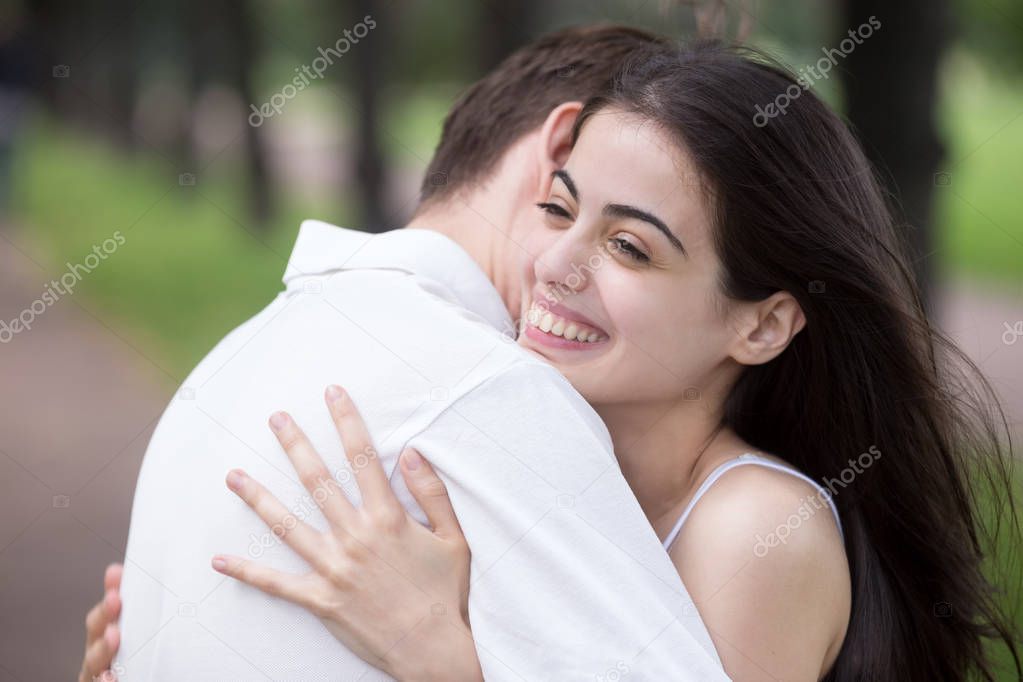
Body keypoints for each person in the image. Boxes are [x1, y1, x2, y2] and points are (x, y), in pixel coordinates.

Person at [86, 39, 1021, 681]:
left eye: (631, 248)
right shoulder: (530, 462)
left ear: (763, 326)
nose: (555, 267)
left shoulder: (751, 530)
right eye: (558, 208)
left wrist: (440, 656)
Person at [86, 26, 730, 682]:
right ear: (562, 149)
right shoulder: (491, 389)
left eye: (629, 245)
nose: (564, 264)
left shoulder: (226, 362)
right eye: (576, 215)